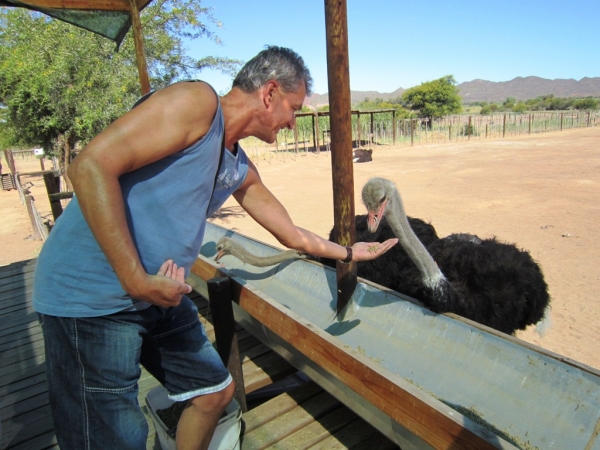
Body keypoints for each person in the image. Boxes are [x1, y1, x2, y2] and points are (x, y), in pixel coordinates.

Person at [32, 46, 397, 450]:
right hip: (93, 297)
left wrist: (350, 253)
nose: (294, 123)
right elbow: (89, 165)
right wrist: (135, 279)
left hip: (158, 292)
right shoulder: (197, 103)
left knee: (212, 393)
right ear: (270, 93)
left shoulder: (238, 166)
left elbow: (291, 234)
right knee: (115, 438)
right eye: (294, 109)